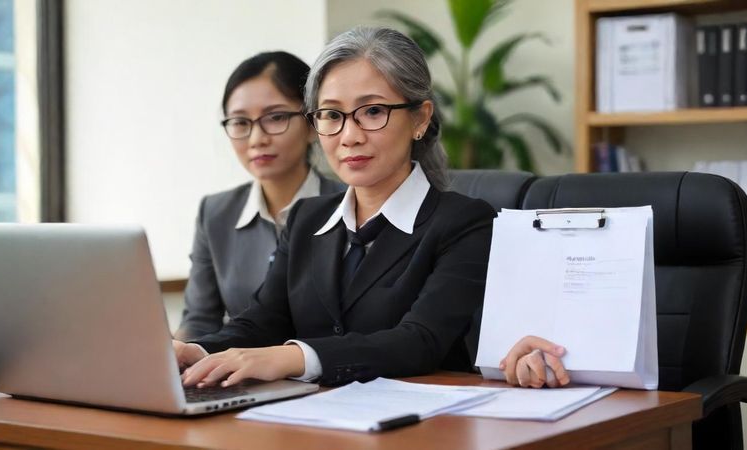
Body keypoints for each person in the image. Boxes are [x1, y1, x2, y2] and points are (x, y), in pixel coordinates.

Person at [175, 27, 570, 389]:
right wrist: (202, 351)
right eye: (331, 115)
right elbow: (261, 322)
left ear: (420, 118)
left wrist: (292, 357)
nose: (349, 136)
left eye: (373, 112)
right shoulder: (307, 218)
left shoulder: (466, 222)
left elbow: (419, 341)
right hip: (310, 419)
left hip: (423, 425)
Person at [175, 52, 344, 341]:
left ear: (312, 124)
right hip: (242, 377)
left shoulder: (353, 204)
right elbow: (200, 322)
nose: (257, 139)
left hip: (335, 375)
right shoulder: (215, 212)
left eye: (276, 117)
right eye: (240, 123)